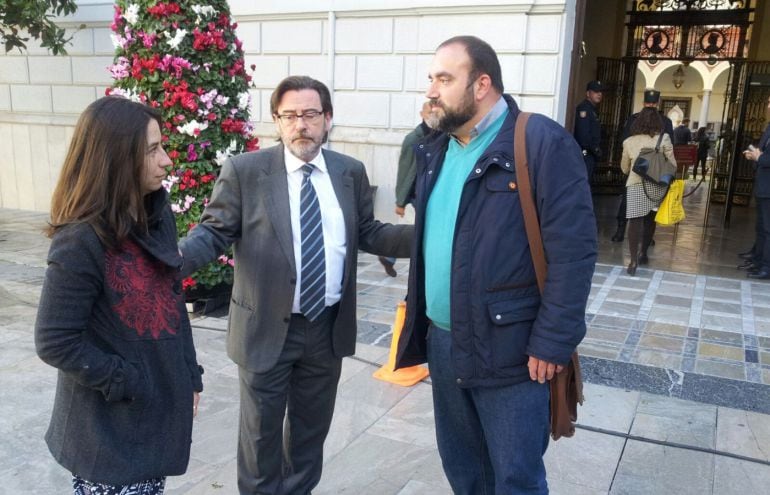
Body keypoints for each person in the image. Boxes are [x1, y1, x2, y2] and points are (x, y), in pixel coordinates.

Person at [179, 75, 412, 494]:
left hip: (325, 329)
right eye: (290, 116)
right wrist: (167, 265)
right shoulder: (246, 171)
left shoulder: (348, 172)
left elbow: (370, 232)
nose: (300, 124)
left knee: (309, 438)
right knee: (259, 440)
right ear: (276, 120)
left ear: (327, 119)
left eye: (309, 114)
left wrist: (431, 235)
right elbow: (213, 232)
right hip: (265, 327)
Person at [394, 36, 597, 494]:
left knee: (514, 479)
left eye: (444, 79)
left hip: (514, 349)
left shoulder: (541, 142)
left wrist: (552, 342)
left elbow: (575, 252)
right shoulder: (436, 149)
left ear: (482, 84)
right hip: (444, 343)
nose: (431, 90)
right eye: (432, 78)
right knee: (465, 471)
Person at [34, 96, 204, 494]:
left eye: (162, 146)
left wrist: (189, 375)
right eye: (152, 150)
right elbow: (54, 341)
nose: (166, 160)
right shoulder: (80, 240)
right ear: (115, 159)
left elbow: (172, 307)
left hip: (152, 421)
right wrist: (129, 380)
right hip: (109, 436)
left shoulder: (155, 220)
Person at [378, 101, 438, 277]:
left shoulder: (441, 135)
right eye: (429, 110)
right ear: (422, 114)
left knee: (419, 230)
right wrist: (400, 201)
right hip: (416, 194)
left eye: (436, 110)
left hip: (429, 192)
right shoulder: (413, 139)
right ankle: (389, 254)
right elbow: (404, 171)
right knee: (417, 231)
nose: (433, 113)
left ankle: (389, 256)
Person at [620, 107, 677, 275]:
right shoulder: (664, 138)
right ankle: (643, 252)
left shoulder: (629, 142)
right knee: (651, 219)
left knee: (634, 221)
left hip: (636, 184)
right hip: (657, 185)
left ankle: (633, 261)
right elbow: (673, 165)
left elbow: (624, 168)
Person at [612, 88, 674, 243]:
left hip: (651, 170)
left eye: (653, 102)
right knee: (628, 203)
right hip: (638, 168)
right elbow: (625, 141)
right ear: (644, 102)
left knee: (650, 206)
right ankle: (621, 230)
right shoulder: (634, 118)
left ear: (657, 103)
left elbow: (671, 146)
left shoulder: (665, 121)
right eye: (649, 102)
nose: (651, 105)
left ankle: (647, 237)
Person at [742, 95, 770, 279]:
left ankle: (766, 266)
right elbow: (762, 152)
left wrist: (758, 157)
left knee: (768, 228)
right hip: (763, 185)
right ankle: (759, 259)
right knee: (761, 227)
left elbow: (765, 157)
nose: (768, 106)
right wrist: (755, 156)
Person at [574, 80, 604, 183]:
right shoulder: (584, 109)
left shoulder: (592, 110)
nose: (599, 94)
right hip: (585, 154)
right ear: (588, 93)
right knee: (583, 183)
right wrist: (595, 149)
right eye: (596, 91)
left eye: (600, 92)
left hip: (591, 154)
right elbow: (583, 135)